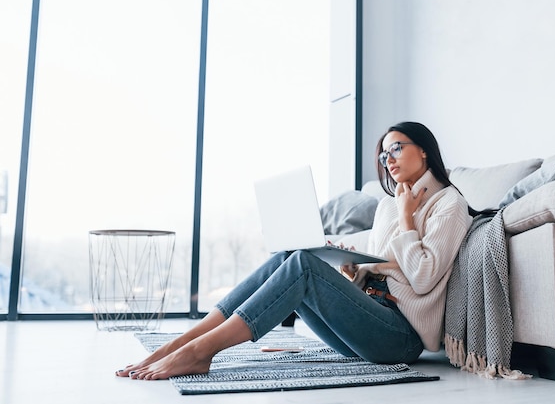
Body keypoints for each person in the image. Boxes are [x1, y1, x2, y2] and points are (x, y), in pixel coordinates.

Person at [116, 121, 472, 380]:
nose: (388, 159)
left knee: (301, 263)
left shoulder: (449, 204)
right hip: (367, 324)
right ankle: (183, 342)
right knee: (291, 256)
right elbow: (385, 269)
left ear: (423, 149)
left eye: (397, 148)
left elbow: (423, 278)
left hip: (400, 339)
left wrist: (408, 218)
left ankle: (200, 352)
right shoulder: (387, 205)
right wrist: (354, 271)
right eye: (383, 154)